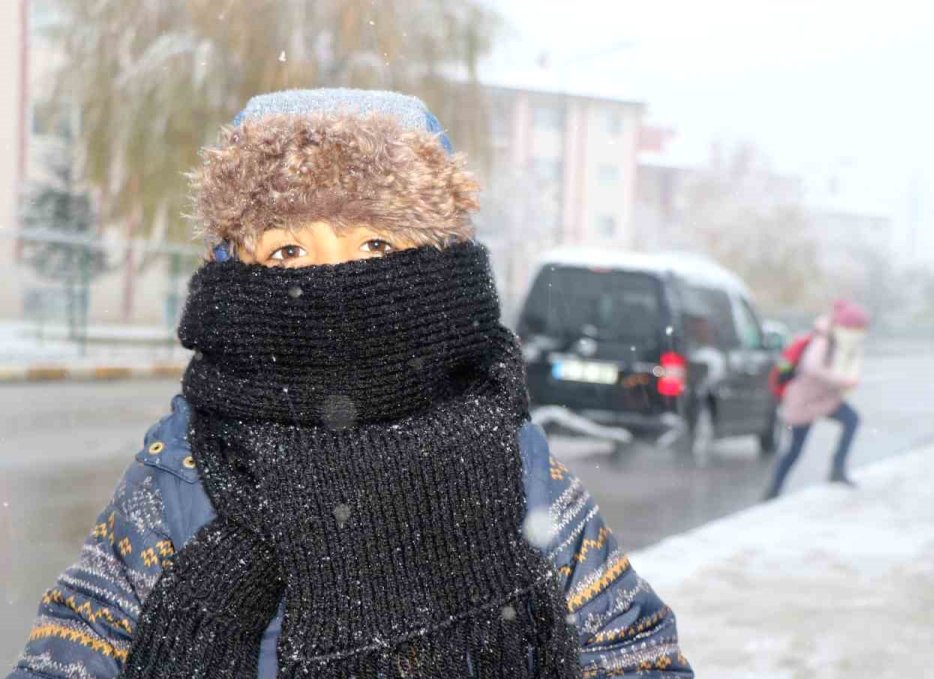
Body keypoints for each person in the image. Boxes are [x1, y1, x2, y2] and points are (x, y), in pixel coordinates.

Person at [7, 90, 690, 679]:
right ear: (232, 272)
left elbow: (630, 646)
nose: (332, 282)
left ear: (438, 262)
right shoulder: (188, 461)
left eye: (375, 246)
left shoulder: (508, 456)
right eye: (287, 250)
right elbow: (85, 626)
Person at [765, 300, 870, 500]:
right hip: (803, 401)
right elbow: (812, 367)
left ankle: (837, 469)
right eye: (855, 327)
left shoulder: (839, 340)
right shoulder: (822, 339)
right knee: (794, 450)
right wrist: (842, 380)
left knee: (852, 420)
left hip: (824, 398)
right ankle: (773, 491)